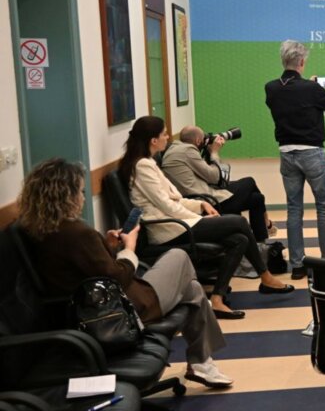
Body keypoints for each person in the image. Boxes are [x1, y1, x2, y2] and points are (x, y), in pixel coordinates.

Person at [18, 158, 234, 387]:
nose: (83, 198)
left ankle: (202, 362)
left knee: (193, 289)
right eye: (80, 192)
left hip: (93, 304)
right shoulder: (76, 232)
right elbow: (117, 278)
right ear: (66, 195)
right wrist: (129, 248)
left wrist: (108, 246)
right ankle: (202, 360)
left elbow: (88, 268)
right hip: (120, 309)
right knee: (179, 258)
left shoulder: (41, 229)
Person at [118, 116, 294, 320]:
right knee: (239, 222)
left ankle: (218, 299)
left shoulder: (148, 162)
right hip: (169, 230)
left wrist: (201, 205)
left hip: (179, 222)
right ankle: (265, 276)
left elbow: (175, 199)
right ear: (153, 140)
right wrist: (199, 218)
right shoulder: (142, 166)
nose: (168, 137)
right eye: (164, 134)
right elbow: (166, 205)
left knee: (240, 239)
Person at [265, 40, 325, 279]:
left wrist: (308, 87)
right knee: (324, 208)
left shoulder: (271, 87)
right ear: (302, 61)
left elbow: (291, 98)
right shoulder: (311, 89)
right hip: (312, 153)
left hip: (286, 154)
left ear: (284, 60)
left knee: (294, 209)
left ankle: (298, 265)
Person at [161, 126, 276, 242]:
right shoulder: (187, 151)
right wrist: (214, 152)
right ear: (198, 141)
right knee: (249, 182)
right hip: (206, 202)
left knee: (257, 199)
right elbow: (215, 177)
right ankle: (267, 224)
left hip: (200, 196)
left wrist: (207, 151)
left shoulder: (177, 149)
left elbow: (206, 174)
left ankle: (262, 243)